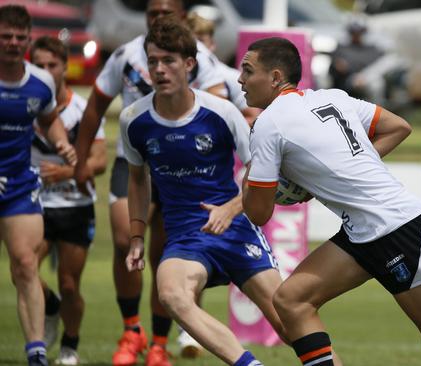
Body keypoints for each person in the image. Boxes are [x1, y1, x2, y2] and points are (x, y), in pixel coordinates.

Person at [240, 36, 421, 366]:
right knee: (291, 301)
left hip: (397, 228)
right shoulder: (332, 97)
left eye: (247, 70)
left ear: (275, 77)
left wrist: (249, 178)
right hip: (365, 230)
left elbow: (258, 213)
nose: (240, 79)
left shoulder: (268, 124)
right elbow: (398, 127)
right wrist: (339, 171)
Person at [121, 18, 287, 365]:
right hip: (185, 237)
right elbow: (138, 180)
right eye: (153, 62)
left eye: (168, 61)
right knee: (171, 294)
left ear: (189, 64)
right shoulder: (134, 119)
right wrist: (137, 236)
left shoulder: (221, 113)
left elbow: (263, 173)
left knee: (291, 321)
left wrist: (231, 208)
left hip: (237, 230)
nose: (160, 69)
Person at [72, 1, 225, 364]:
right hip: (132, 161)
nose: (158, 17)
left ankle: (158, 342)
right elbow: (95, 104)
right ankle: (131, 330)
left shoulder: (198, 56)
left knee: (163, 256)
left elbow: (220, 103)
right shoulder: (126, 53)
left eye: (165, 11)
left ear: (181, 15)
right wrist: (80, 161)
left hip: (178, 170)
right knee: (127, 240)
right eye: (152, 12)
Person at [0, 5, 76, 366]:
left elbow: (50, 120)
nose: (13, 43)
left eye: (19, 38)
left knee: (26, 263)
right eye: (5, 37)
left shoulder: (40, 81)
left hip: (17, 184)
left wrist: (61, 141)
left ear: (27, 40)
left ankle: (36, 353)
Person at [30, 35, 107, 365]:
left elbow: (100, 161)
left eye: (52, 65)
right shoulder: (25, 103)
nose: (46, 71)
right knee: (25, 271)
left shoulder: (83, 109)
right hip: (33, 205)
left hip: (75, 206)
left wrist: (69, 172)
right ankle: (49, 307)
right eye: (39, 65)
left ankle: (70, 345)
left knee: (70, 285)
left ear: (65, 68)